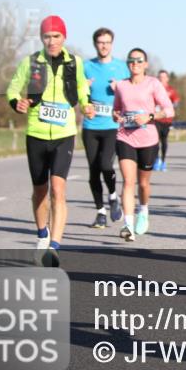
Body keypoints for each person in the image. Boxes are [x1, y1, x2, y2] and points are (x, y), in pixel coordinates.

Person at [7, 15, 94, 266]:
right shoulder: (31, 62)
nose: (52, 41)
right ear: (41, 38)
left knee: (58, 189)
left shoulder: (75, 63)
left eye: (56, 36)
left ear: (64, 37)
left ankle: (54, 247)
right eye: (47, 36)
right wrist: (17, 102)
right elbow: (13, 89)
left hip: (64, 134)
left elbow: (81, 90)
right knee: (40, 191)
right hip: (36, 132)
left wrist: (86, 105)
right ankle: (42, 234)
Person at [112, 49, 174, 241]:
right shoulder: (121, 86)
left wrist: (150, 116)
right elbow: (116, 110)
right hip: (125, 137)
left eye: (139, 60)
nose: (135, 63)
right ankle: (128, 225)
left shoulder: (153, 84)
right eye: (131, 60)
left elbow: (169, 110)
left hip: (148, 139)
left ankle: (144, 210)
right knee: (128, 181)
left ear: (145, 64)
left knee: (143, 183)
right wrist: (116, 116)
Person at [82, 27, 129, 229]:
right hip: (90, 125)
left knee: (106, 165)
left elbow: (131, 92)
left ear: (112, 44)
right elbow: (77, 95)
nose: (104, 45)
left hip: (111, 125)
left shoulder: (121, 68)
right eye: (101, 42)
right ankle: (100, 212)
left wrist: (120, 87)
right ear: (95, 44)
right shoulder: (86, 67)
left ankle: (112, 195)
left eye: (107, 42)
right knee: (93, 171)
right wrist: (83, 91)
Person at [153, 70, 180, 171]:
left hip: (167, 120)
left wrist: (170, 107)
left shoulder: (171, 90)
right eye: (160, 77)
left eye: (164, 77)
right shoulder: (154, 89)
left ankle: (163, 161)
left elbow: (176, 102)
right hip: (156, 118)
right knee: (155, 140)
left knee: (164, 141)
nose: (162, 79)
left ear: (167, 79)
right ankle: (156, 160)